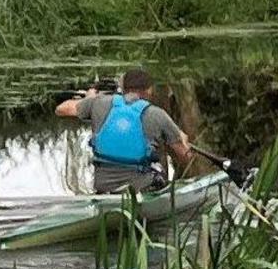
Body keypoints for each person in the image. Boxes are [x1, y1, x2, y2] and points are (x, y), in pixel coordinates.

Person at [56, 67, 196, 192]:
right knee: (158, 171)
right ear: (149, 90)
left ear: (123, 88)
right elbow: (186, 156)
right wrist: (183, 140)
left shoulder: (98, 103)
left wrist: (89, 99)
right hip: (141, 189)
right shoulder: (158, 114)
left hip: (104, 187)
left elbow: (60, 109)